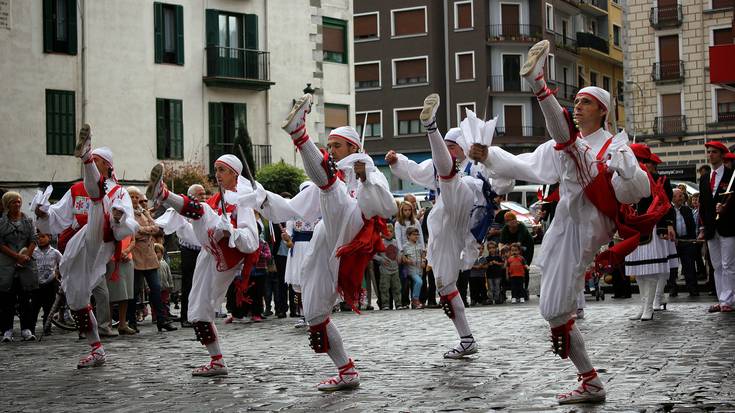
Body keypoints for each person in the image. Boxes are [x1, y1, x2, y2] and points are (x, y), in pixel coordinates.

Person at [468, 40, 658, 404]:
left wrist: (628, 170)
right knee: (552, 312)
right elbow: (526, 165)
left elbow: (632, 193)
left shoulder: (614, 146)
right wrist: (490, 155)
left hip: (588, 229)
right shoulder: (561, 146)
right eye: (577, 103)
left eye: (585, 103)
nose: (578, 107)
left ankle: (538, 84)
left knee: (555, 308)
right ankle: (590, 380)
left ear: (602, 111)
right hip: (562, 227)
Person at [276, 93, 396, 390]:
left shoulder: (368, 168)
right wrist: (263, 199)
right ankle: (347, 371)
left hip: (352, 228)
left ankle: (299, 134)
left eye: (336, 146)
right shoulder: (330, 178)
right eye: (328, 146)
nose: (331, 150)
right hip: (327, 243)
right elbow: (295, 207)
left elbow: (388, 207)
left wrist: (366, 176)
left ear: (354, 148)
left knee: (330, 187)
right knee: (314, 314)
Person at [386, 94, 513, 359]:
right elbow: (414, 171)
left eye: (451, 146)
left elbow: (504, 181)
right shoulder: (437, 167)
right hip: (445, 227)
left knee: (456, 182)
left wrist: (491, 167)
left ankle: (430, 125)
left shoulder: (477, 168)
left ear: (463, 148)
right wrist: (396, 161)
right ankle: (467, 339)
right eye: (444, 146)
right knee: (444, 285)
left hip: (465, 216)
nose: (447, 151)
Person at [147, 154, 261, 376]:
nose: (217, 174)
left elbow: (251, 242)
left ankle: (164, 194)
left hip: (227, 256)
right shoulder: (216, 200)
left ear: (235, 174)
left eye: (222, 170)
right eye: (216, 169)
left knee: (203, 212)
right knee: (197, 310)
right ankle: (216, 361)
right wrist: (181, 227)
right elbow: (198, 236)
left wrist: (232, 231)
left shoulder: (242, 200)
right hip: (209, 254)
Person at [34, 125, 139, 367]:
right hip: (79, 246)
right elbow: (58, 217)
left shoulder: (119, 191)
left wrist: (118, 217)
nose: (98, 165)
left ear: (108, 166)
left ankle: (84, 154)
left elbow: (127, 219)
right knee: (77, 300)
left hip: (102, 238)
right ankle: (97, 350)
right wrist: (42, 212)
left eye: (98, 161)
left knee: (97, 201)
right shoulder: (75, 189)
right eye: (94, 161)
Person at [623, 143, 674, 321]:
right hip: (633, 229)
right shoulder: (627, 180)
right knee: (638, 272)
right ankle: (643, 305)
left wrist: (667, 225)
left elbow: (668, 207)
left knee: (650, 270)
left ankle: (649, 307)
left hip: (651, 229)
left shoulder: (660, 181)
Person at [127, 186, 176, 333]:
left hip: (149, 255)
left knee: (156, 289)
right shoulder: (126, 213)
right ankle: (132, 322)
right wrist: (148, 231)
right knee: (134, 292)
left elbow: (156, 227)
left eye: (138, 197)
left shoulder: (144, 213)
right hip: (136, 255)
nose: (136, 200)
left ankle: (162, 320)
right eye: (133, 197)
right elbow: (133, 230)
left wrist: (145, 231)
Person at [697, 141, 734, 313]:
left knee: (728, 265)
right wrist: (702, 228)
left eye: (714, 152)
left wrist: (726, 208)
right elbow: (703, 207)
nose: (710, 155)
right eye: (709, 152)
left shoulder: (731, 175)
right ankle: (722, 299)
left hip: (728, 227)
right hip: (711, 229)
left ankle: (729, 300)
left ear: (721, 154)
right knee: (717, 265)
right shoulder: (704, 178)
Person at [0, 192, 39, 342]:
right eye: (13, 202)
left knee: (26, 297)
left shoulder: (28, 221)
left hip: (25, 264)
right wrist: (16, 256)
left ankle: (27, 329)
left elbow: (33, 239)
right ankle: (7, 330)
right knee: (6, 299)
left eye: (18, 202)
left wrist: (25, 256)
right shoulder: (1, 222)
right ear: (7, 205)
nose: (17, 205)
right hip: (7, 264)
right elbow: (1, 244)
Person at [31, 232, 62, 335]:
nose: (40, 239)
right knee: (34, 307)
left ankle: (47, 327)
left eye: (43, 237)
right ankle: (31, 329)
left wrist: (57, 272)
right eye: (38, 237)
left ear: (49, 237)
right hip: (36, 283)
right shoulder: (33, 252)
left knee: (48, 307)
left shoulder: (55, 252)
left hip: (50, 283)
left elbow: (63, 263)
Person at [106, 230, 136, 335]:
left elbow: (133, 240)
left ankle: (122, 324)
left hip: (127, 259)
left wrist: (126, 251)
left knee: (125, 293)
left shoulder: (129, 222)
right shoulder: (111, 222)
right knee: (111, 294)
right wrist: (119, 253)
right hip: (112, 259)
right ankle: (108, 324)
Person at [499, 211, 535, 299]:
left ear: (515, 220)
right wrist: (501, 250)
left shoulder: (521, 227)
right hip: (512, 247)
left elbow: (519, 243)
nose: (510, 222)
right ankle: (506, 287)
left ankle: (524, 288)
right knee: (507, 265)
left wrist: (512, 250)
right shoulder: (505, 229)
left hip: (525, 246)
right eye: (508, 221)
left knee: (523, 266)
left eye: (512, 220)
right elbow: (501, 242)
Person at [671, 188, 698, 296]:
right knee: (672, 267)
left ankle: (692, 288)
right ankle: (673, 288)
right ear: (673, 198)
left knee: (689, 266)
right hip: (673, 242)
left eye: (682, 195)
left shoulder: (687, 209)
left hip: (686, 241)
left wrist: (692, 240)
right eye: (679, 196)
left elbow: (692, 225)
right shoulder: (668, 210)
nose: (682, 198)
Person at [375, 223, 401, 310]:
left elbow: (399, 252)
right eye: (387, 231)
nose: (389, 233)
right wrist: (381, 259)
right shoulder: (380, 242)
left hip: (395, 269)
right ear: (382, 233)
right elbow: (373, 255)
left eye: (391, 231)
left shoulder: (395, 242)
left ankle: (398, 304)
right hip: (384, 270)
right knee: (384, 288)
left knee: (397, 287)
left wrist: (399, 257)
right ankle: (385, 304)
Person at [401, 227, 424, 309]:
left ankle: (414, 304)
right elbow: (403, 258)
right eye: (414, 235)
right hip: (411, 270)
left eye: (417, 234)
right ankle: (415, 299)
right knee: (419, 282)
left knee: (416, 285)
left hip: (419, 269)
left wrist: (423, 262)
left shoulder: (419, 246)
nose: (416, 236)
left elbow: (423, 256)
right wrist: (407, 260)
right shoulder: (405, 246)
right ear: (408, 236)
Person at [154, 243, 173, 320]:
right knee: (155, 303)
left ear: (162, 253)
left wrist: (170, 285)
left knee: (165, 303)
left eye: (157, 252)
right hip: (155, 289)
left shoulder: (165, 264)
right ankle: (155, 316)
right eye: (154, 252)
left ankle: (165, 315)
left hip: (165, 287)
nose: (156, 254)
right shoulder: (151, 264)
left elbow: (169, 275)